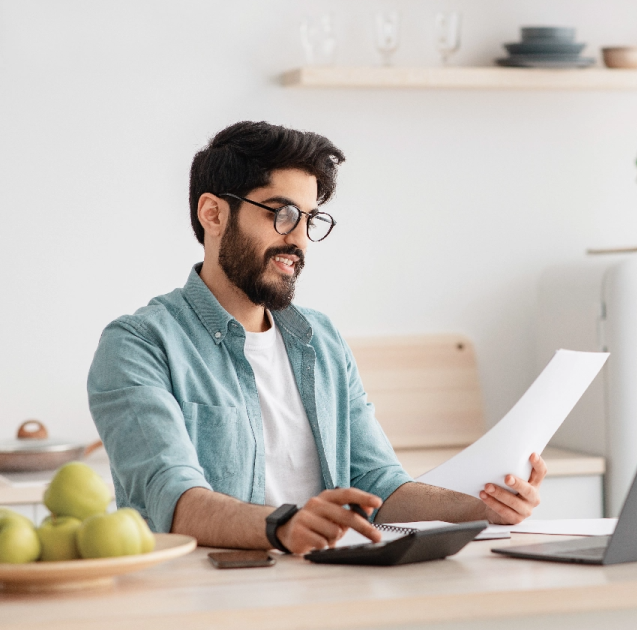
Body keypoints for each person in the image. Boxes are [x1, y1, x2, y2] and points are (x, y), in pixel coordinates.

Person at [87, 121, 548, 555]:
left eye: (310, 219)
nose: (300, 240)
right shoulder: (138, 345)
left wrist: (481, 508)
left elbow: (378, 483)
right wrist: (283, 525)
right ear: (213, 214)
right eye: (283, 214)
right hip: (207, 596)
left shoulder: (320, 339)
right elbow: (174, 499)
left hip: (325, 585)